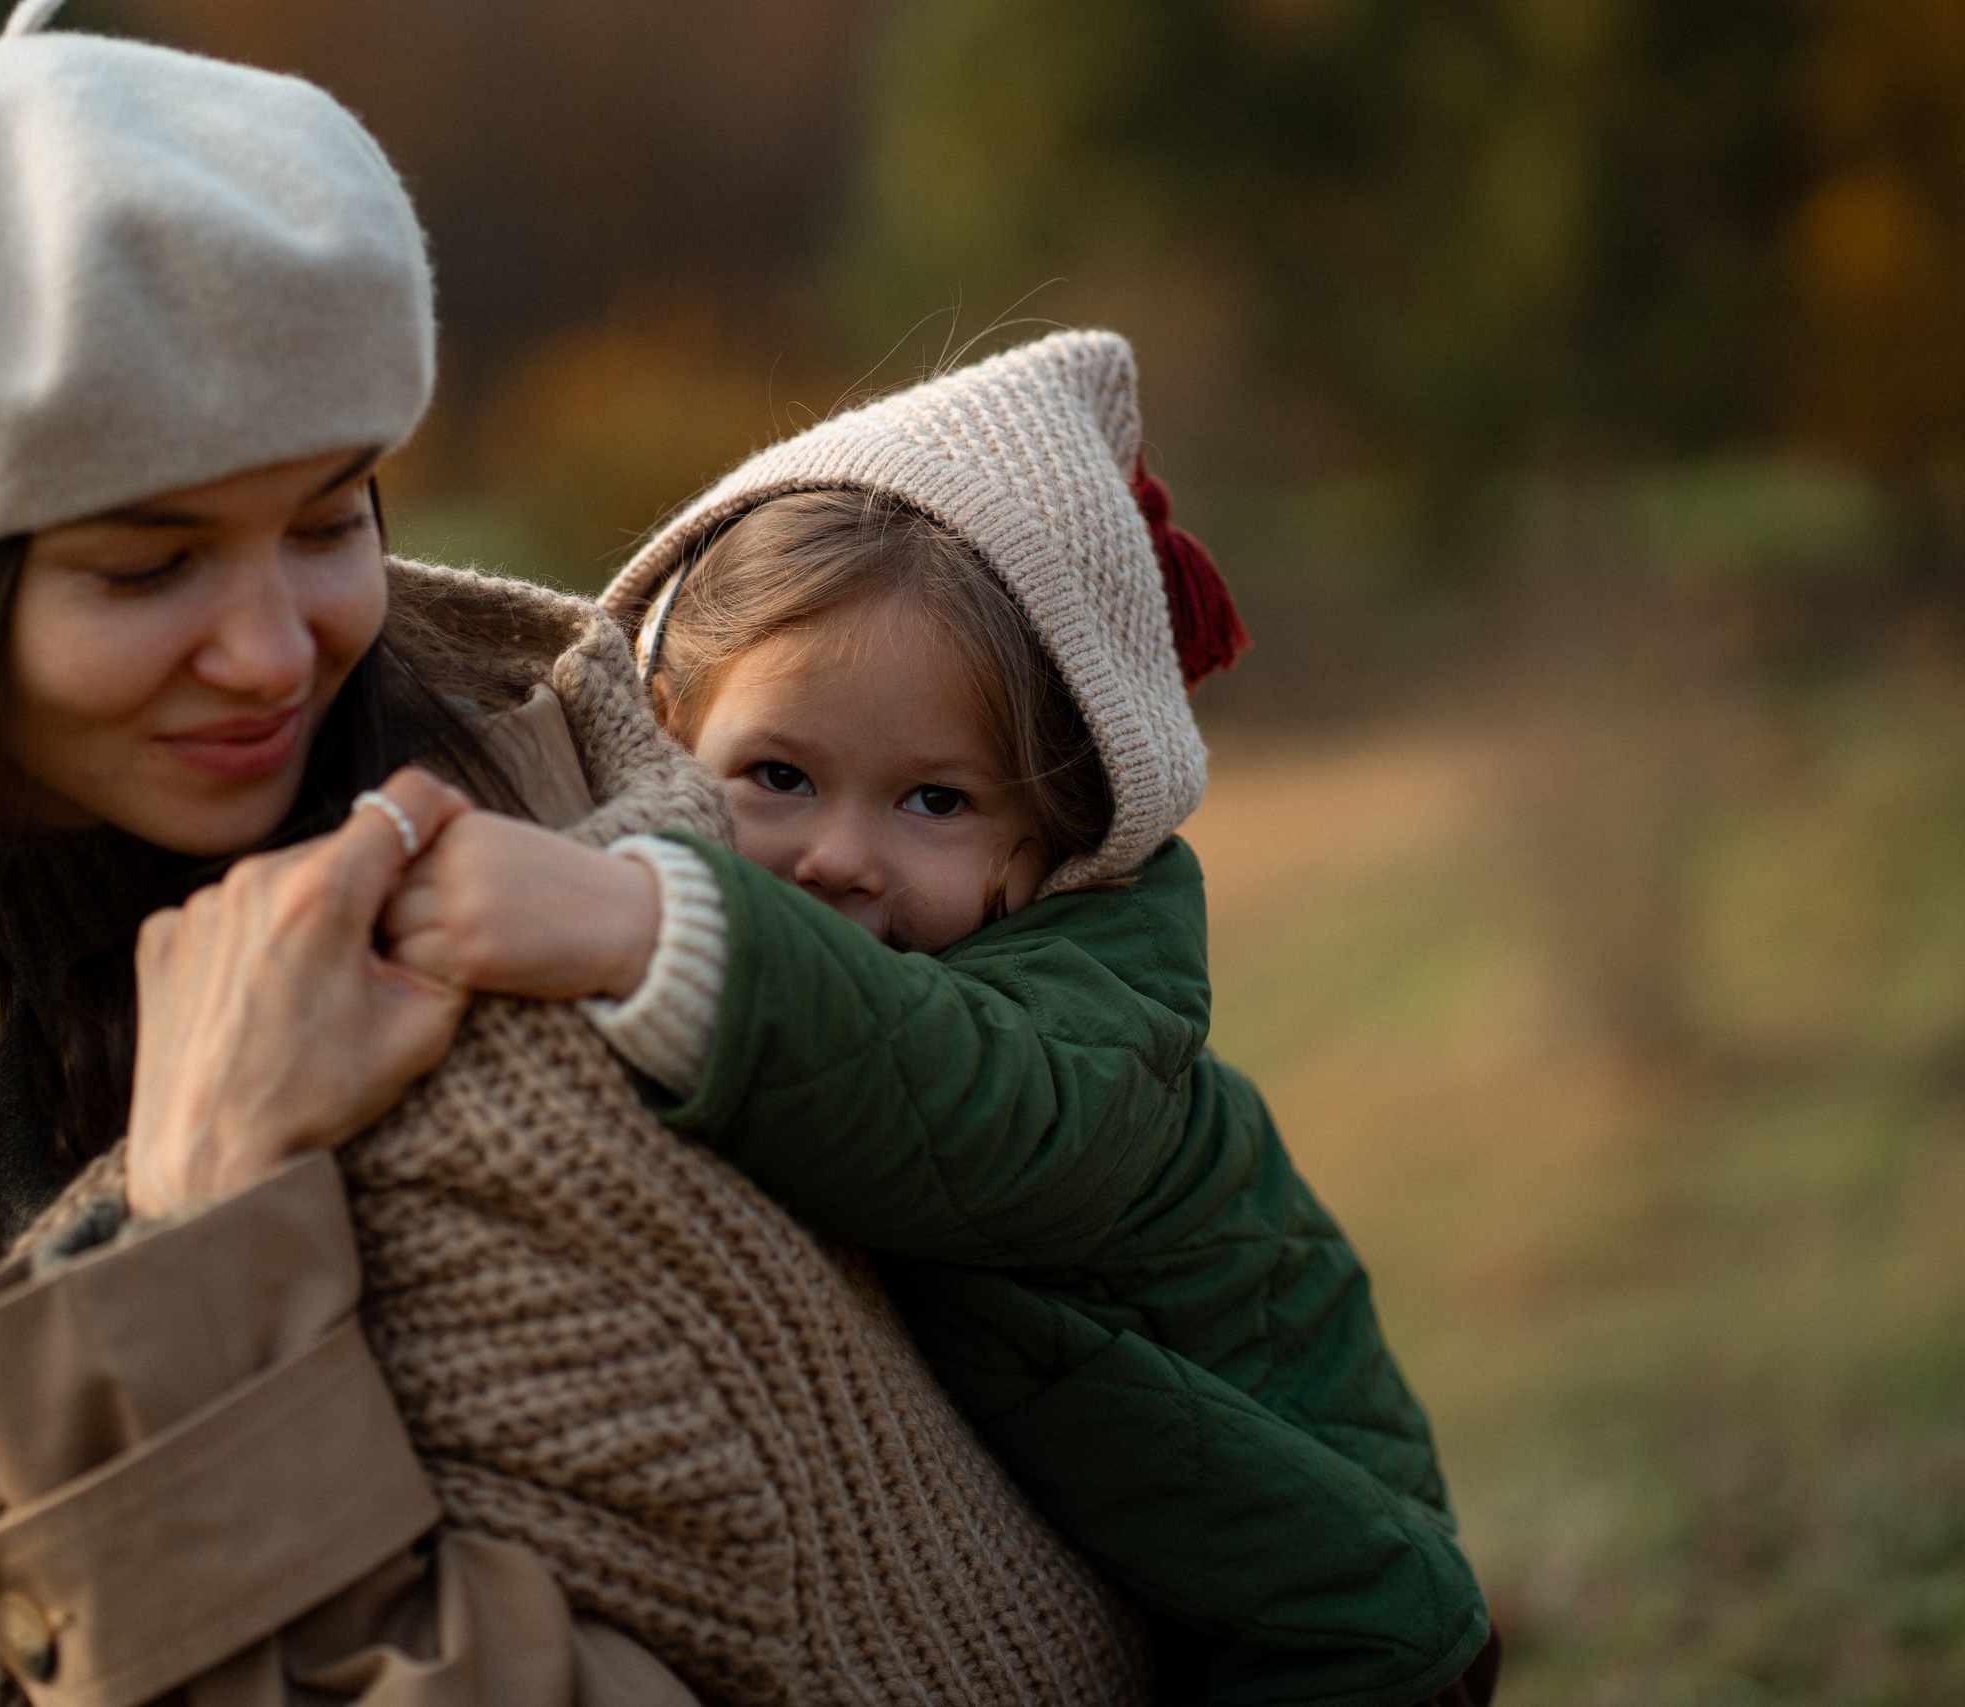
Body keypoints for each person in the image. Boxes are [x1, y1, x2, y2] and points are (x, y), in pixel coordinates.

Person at [0, 17, 1145, 1707]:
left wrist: (205, 1230)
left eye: (329, 523)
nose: (269, 649)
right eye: (151, 568)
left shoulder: (531, 969)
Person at [381, 332, 1503, 1707]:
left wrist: (646, 927)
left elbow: (953, 1101)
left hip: (1341, 1620)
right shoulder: (814, 894)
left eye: (934, 801)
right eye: (779, 773)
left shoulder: (1088, 1030)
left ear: (1043, 847)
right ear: (664, 733)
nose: (839, 856)